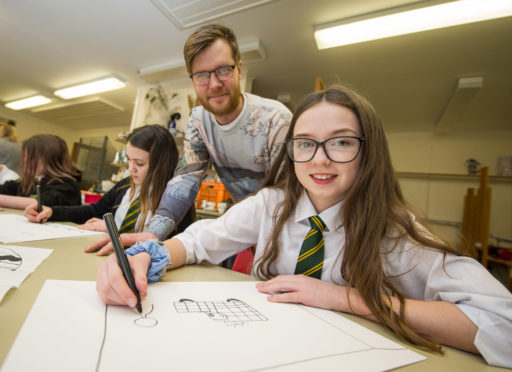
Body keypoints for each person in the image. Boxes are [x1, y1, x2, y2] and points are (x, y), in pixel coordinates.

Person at [96, 85, 512, 368]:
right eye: (305, 143)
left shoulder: (395, 232)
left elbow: (504, 328)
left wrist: (346, 298)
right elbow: (201, 240)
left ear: (370, 152)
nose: (320, 159)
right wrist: (147, 258)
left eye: (343, 141)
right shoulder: (272, 204)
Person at [86, 23, 292, 255]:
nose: (214, 84)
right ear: (193, 80)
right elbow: (186, 180)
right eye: (202, 75)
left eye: (223, 69)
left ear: (239, 69)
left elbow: (286, 194)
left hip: (285, 225)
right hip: (246, 223)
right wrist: (154, 233)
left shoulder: (276, 118)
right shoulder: (199, 120)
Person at [24, 125, 195, 235]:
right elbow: (93, 211)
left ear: (161, 164)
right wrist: (52, 212)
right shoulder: (126, 185)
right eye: (129, 160)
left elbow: (175, 246)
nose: (131, 169)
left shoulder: (176, 198)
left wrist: (115, 231)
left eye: (139, 163)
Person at [0, 134, 81, 209]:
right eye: (25, 155)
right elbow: (6, 189)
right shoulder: (30, 181)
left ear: (51, 158)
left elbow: (41, 203)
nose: (25, 160)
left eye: (31, 156)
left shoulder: (67, 184)